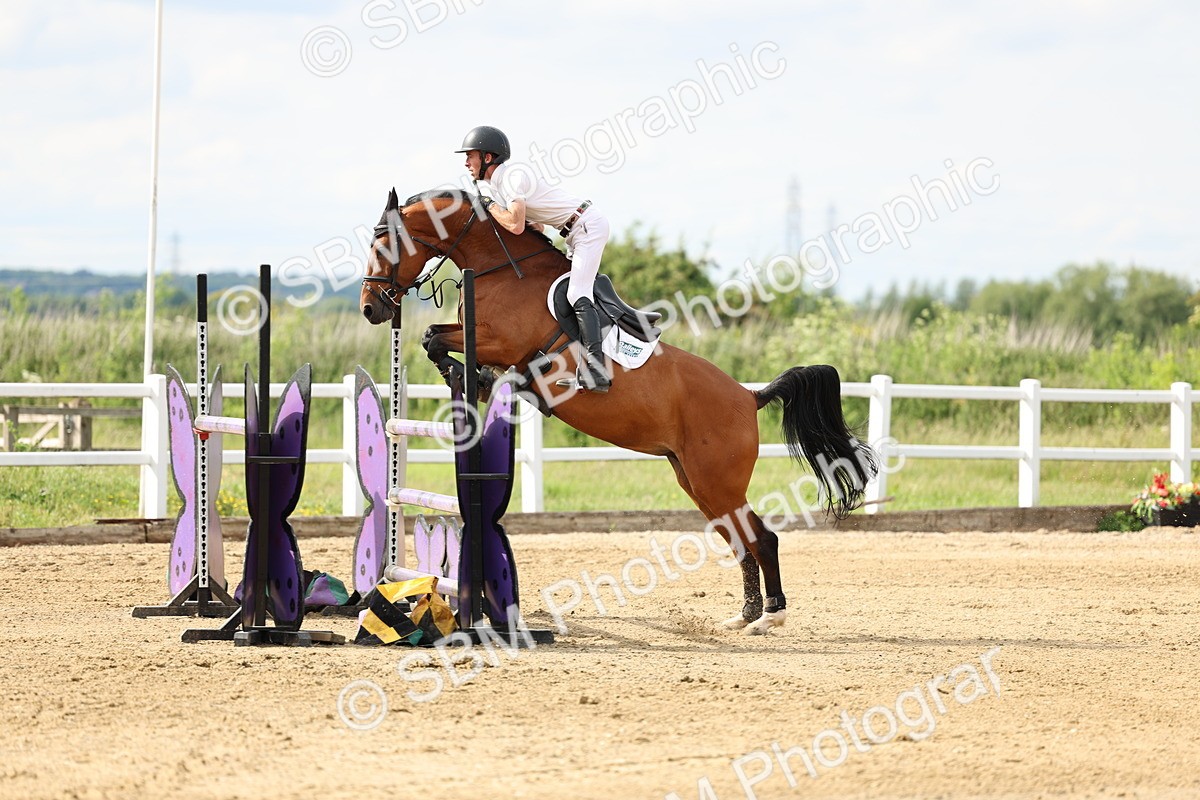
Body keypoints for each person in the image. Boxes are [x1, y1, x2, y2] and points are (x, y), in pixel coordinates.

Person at [456, 125, 612, 393]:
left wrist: (490, 206)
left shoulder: (513, 176)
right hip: (573, 231)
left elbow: (515, 225)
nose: (466, 162)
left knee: (577, 294)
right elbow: (534, 229)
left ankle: (597, 372)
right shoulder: (498, 184)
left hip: (586, 226)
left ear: (488, 158)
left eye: (471, 155)